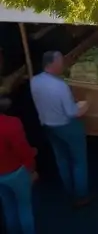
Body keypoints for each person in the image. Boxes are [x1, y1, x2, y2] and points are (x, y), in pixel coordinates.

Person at [29, 52, 89, 206]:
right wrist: (85, 105)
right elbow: (71, 112)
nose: (62, 65)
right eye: (60, 62)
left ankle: (68, 191)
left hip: (48, 126)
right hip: (66, 125)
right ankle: (81, 195)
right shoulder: (61, 86)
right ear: (52, 64)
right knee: (78, 160)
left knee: (61, 159)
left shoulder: (34, 81)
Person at [0, 97, 37, 233]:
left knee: (8, 207)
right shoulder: (11, 123)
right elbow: (22, 150)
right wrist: (32, 168)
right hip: (15, 172)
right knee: (24, 207)